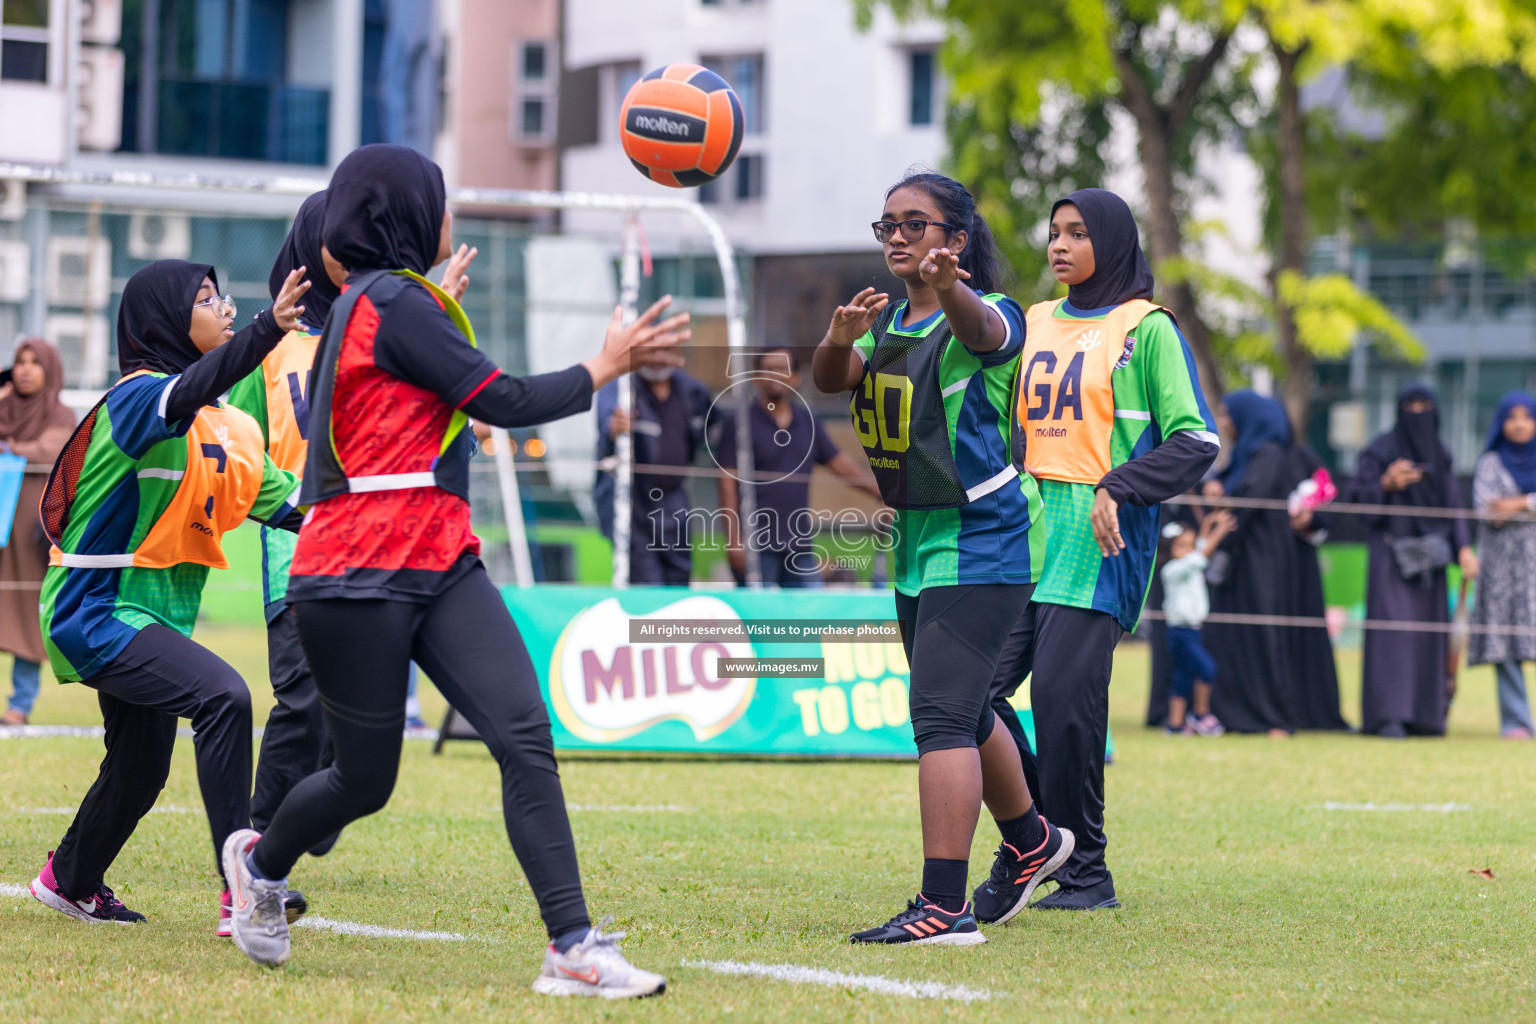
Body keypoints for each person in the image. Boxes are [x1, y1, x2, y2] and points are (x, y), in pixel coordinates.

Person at [222, 144, 683, 999]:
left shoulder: (386, 304)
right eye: (440, 200)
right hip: (356, 571)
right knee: (366, 780)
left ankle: (572, 947)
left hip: (438, 559)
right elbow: (502, 402)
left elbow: (410, 407)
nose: (450, 216)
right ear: (404, 217)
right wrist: (604, 364)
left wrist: (437, 315)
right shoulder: (391, 302)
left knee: (522, 734)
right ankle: (261, 863)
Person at [812, 170, 1072, 945]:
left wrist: (949, 286)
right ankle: (1032, 842)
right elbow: (834, 381)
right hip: (921, 541)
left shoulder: (989, 310)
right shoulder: (886, 320)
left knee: (940, 721)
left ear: (956, 240)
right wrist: (835, 338)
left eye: (916, 224)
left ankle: (945, 906)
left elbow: (984, 336)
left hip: (983, 537)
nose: (897, 236)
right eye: (887, 224)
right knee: (966, 705)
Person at [28, 259, 311, 926]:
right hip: (94, 612)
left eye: (226, 297)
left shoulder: (233, 428)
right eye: (208, 299)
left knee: (141, 768)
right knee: (224, 696)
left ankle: (69, 879)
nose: (228, 308)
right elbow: (180, 397)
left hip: (159, 619)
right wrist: (270, 330)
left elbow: (300, 506)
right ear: (163, 318)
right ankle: (242, 884)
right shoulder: (135, 398)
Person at [987, 188, 1219, 911]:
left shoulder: (1146, 330)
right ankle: (1033, 840)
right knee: (973, 697)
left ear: (1111, 243)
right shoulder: (1030, 322)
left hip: (1100, 537)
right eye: (1054, 232)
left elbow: (1197, 441)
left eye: (1078, 233)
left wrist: (1120, 484)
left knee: (1061, 700)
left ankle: (1086, 870)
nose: (1059, 245)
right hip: (1021, 533)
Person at [1202, 391, 1350, 735]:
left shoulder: (1267, 454)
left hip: (1263, 559)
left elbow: (1248, 502)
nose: (1225, 423)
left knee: (1263, 636)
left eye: (1228, 415)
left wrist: (1222, 509)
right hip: (1255, 557)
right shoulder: (1247, 454)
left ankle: (1268, 715)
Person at [1344, 383, 1477, 737]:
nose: (1417, 412)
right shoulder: (1379, 451)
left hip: (1431, 560)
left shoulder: (1441, 455)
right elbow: (1355, 500)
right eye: (1410, 405)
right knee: (1394, 637)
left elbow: (1453, 505)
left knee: (1427, 637)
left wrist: (1463, 548)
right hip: (1391, 556)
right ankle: (1389, 716)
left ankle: (1426, 716)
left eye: (1425, 405)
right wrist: (1386, 483)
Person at [716, 347, 880, 587]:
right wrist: (733, 539)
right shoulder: (740, 421)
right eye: (769, 369)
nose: (776, 375)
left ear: (796, 377)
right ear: (757, 377)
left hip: (799, 544)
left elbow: (839, 462)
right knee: (757, 618)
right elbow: (726, 482)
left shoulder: (807, 420)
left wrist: (881, 494)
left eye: (783, 369)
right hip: (755, 544)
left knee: (808, 616)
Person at [0, 338, 74, 726]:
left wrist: (10, 448)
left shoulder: (60, 415)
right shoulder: (4, 409)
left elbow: (51, 449)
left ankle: (19, 707)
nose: (25, 369)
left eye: (35, 362)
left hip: (31, 538)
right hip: (0, 536)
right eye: (18, 362)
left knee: (27, 614)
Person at [593, 360, 712, 584]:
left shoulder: (690, 390)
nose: (657, 358)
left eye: (664, 349)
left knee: (678, 577)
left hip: (675, 502)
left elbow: (709, 429)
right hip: (634, 503)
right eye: (651, 350)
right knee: (646, 582)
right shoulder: (620, 389)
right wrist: (613, 427)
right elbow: (607, 422)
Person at [1466, 391, 1536, 739]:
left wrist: (1518, 503)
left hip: (1533, 566)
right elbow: (1486, 509)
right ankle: (1517, 721)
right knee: (1506, 641)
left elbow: (1503, 507)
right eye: (1511, 417)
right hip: (1501, 570)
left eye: (1527, 416)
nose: (1520, 424)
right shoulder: (1490, 463)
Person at [1159, 511, 1235, 735]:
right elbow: (1201, 556)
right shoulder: (1172, 570)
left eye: (1190, 545)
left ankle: (1175, 725)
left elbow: (1199, 549)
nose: (1187, 551)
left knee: (1182, 676)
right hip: (1179, 631)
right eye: (1181, 546)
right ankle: (1200, 714)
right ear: (1169, 549)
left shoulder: (1191, 563)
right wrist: (1219, 532)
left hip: (1194, 631)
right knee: (1207, 668)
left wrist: (1208, 525)